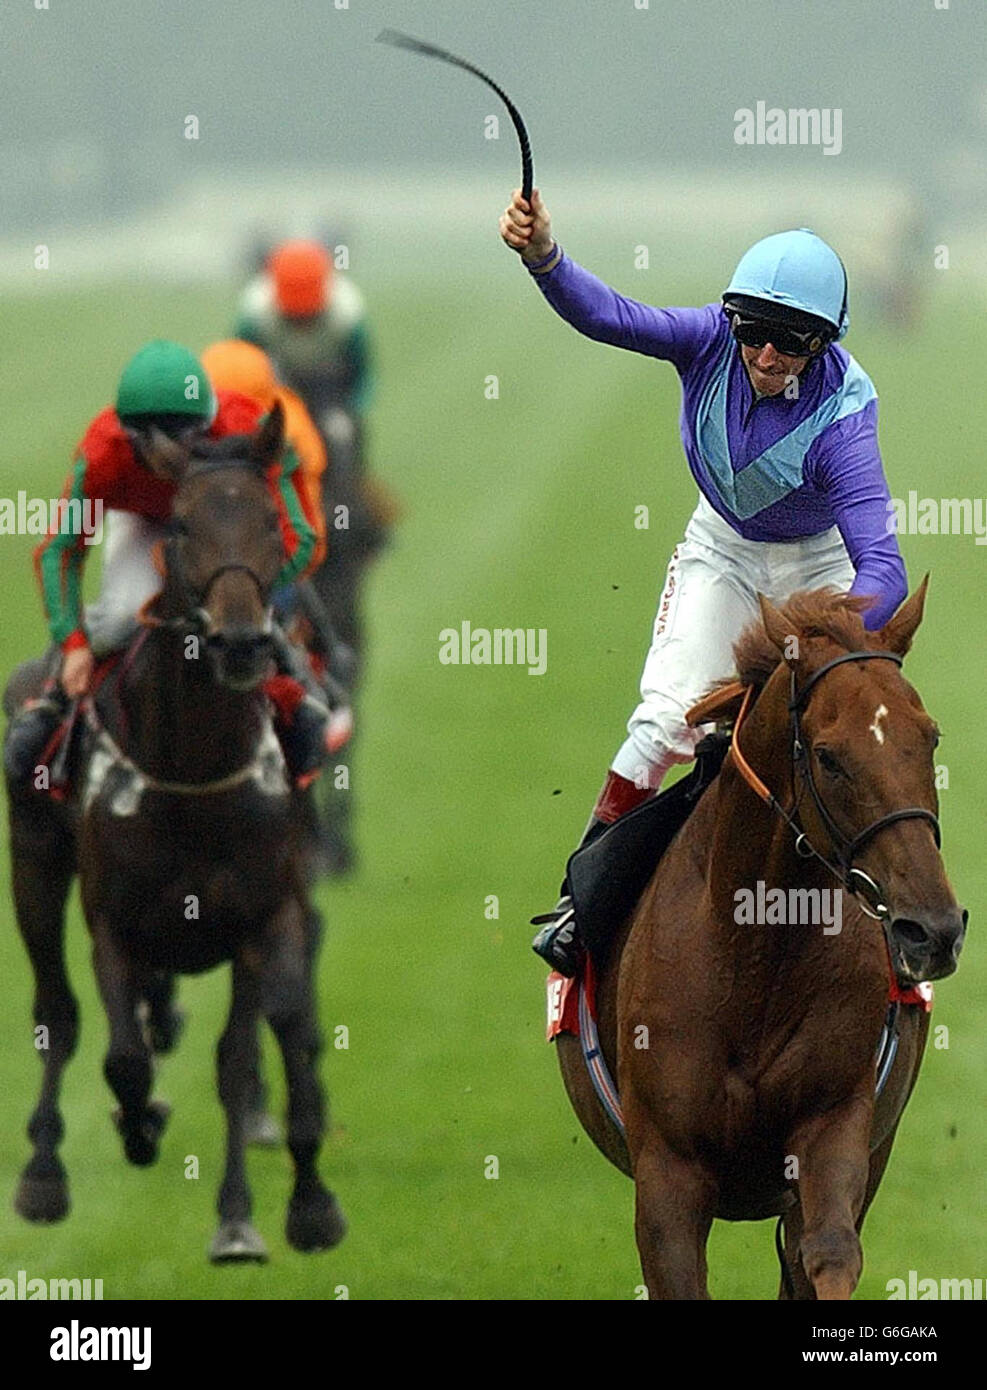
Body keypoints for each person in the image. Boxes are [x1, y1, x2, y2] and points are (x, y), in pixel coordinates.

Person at [500, 189, 907, 976]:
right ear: (731, 322)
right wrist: (543, 255)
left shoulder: (845, 417)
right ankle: (581, 894)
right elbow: (607, 315)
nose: (765, 355)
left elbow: (881, 569)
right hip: (721, 547)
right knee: (663, 724)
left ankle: (894, 935)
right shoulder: (705, 341)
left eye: (790, 342)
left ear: (824, 343)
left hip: (817, 566)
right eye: (753, 332)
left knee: (861, 739)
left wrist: (825, 634)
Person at [4, 340, 330, 787]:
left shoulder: (248, 429)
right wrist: (74, 641)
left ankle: (299, 690)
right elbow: (62, 549)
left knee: (242, 614)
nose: (172, 457)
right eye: (152, 444)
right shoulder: (101, 453)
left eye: (188, 439)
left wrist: (244, 588)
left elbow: (304, 538)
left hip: (220, 526)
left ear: (210, 423)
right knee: (121, 616)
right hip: (142, 523)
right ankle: (53, 702)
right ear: (128, 435)